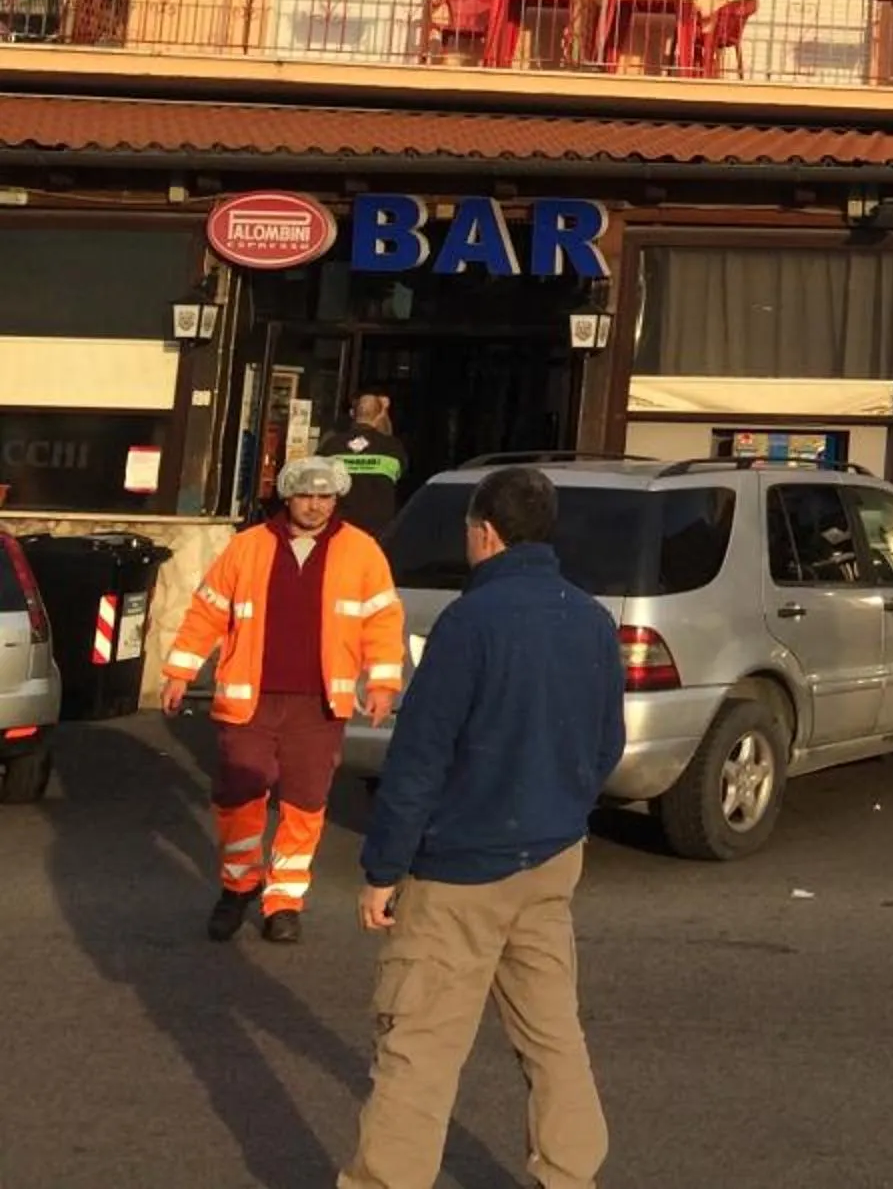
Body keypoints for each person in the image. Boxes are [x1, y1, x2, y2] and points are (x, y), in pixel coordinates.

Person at [340, 465, 624, 1189]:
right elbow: (605, 744)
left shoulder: (469, 623)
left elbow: (420, 758)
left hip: (460, 868)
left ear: (484, 532)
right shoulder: (591, 619)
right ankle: (569, 1174)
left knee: (420, 1046)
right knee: (552, 1034)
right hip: (551, 857)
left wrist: (382, 870)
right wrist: (564, 806)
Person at [160, 454, 404, 942]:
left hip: (318, 703)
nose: (315, 506)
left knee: (306, 801)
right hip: (251, 699)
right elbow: (207, 611)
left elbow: (382, 621)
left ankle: (284, 902)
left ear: (336, 499)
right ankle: (238, 886)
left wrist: (382, 684)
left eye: (325, 497)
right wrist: (179, 671)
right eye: (306, 495)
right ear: (287, 496)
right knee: (239, 794)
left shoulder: (362, 552)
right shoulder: (247, 548)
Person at [329, 392, 406, 537]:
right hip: (378, 531)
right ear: (379, 417)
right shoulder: (392, 447)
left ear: (353, 414)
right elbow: (399, 478)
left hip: (339, 528)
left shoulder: (331, 445)